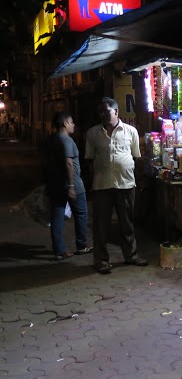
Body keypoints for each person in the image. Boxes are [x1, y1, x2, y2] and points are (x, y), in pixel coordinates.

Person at [85, 98, 147, 274]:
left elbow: (136, 156)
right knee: (101, 225)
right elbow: (89, 159)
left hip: (125, 183)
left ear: (116, 112)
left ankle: (131, 256)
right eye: (100, 112)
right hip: (102, 185)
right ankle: (101, 260)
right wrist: (93, 181)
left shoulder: (130, 131)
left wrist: (138, 180)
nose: (103, 115)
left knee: (127, 223)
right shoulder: (93, 133)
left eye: (106, 111)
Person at [45, 112, 92, 260]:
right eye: (71, 122)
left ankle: (59, 250)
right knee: (81, 214)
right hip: (73, 184)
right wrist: (71, 186)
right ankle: (82, 245)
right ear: (65, 123)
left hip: (56, 184)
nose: (73, 125)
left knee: (57, 217)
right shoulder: (66, 140)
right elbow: (69, 163)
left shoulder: (51, 140)